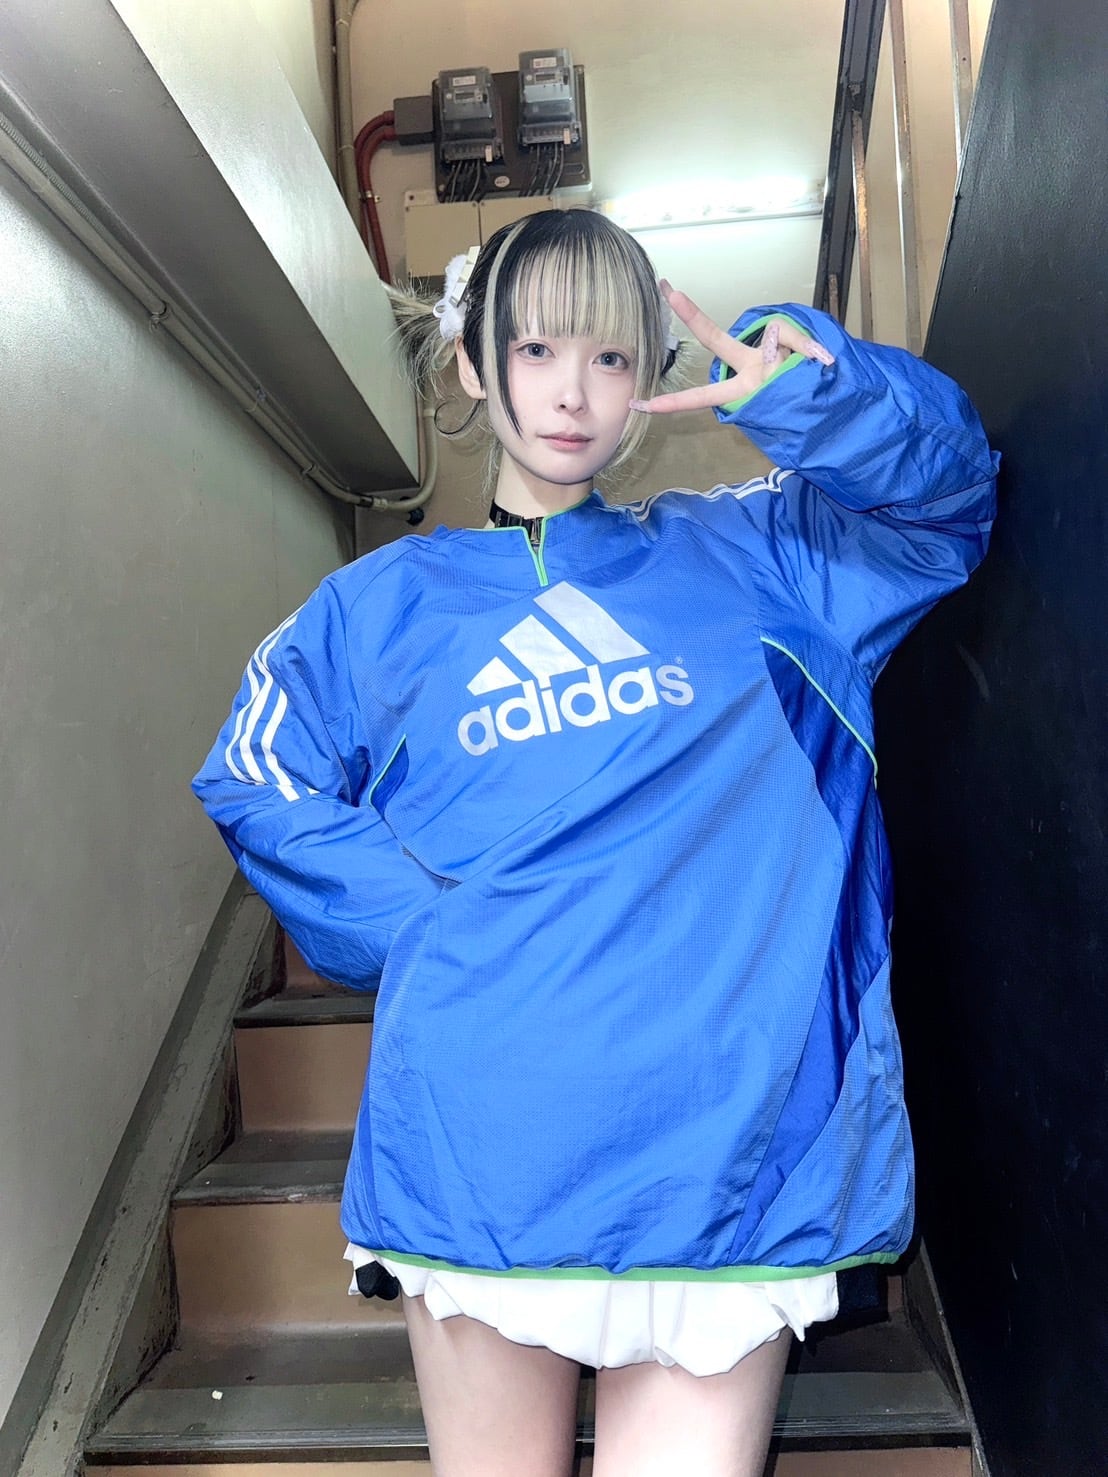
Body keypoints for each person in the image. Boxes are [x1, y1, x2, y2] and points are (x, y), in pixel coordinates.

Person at [192, 208, 998, 1477]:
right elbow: (255, 775)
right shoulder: (374, 608)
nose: (573, 393)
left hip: (731, 1156)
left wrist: (816, 396)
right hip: (486, 1146)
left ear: (646, 376)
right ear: (472, 363)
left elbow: (942, 504)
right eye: (535, 350)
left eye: (611, 356)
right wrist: (431, 930)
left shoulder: (763, 556)